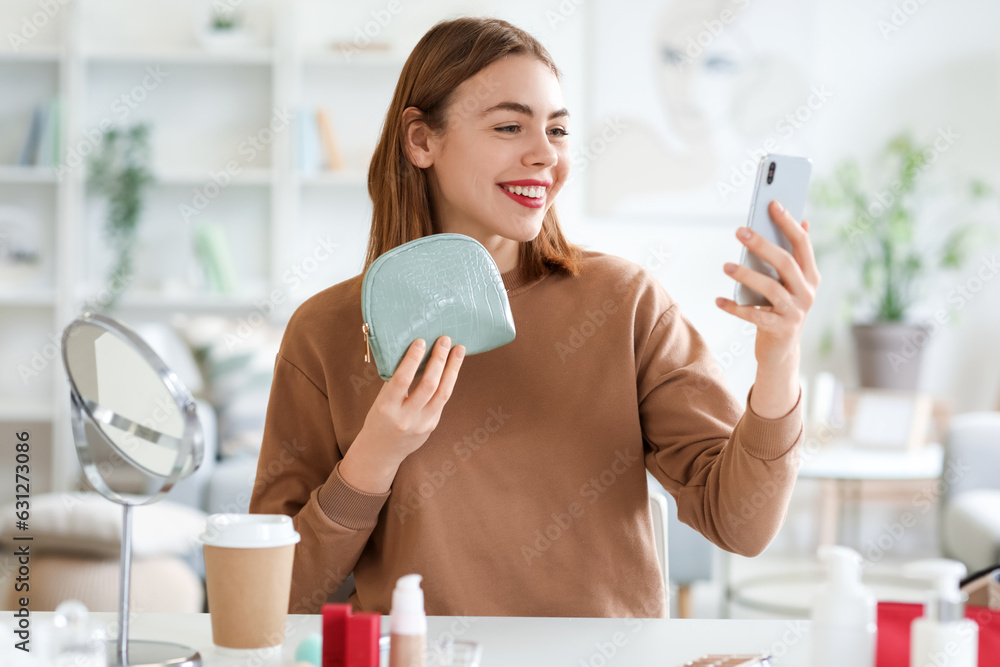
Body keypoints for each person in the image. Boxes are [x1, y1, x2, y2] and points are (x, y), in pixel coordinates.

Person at [248, 16, 820, 618]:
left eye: (558, 129)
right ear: (421, 141)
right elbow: (275, 595)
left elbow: (742, 527)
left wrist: (779, 358)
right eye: (509, 125)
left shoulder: (624, 304)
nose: (545, 154)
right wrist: (374, 457)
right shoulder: (324, 332)